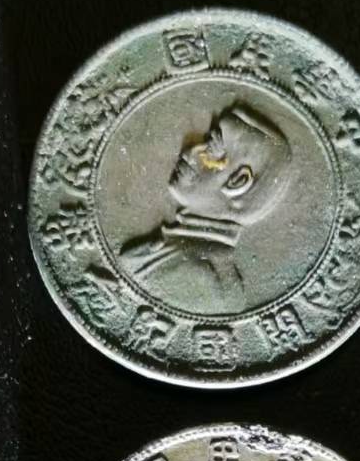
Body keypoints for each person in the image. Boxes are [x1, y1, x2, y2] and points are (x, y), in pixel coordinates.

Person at [119, 102, 294, 311]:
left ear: (238, 182)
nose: (191, 149)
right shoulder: (187, 257)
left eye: (214, 149)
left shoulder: (198, 275)